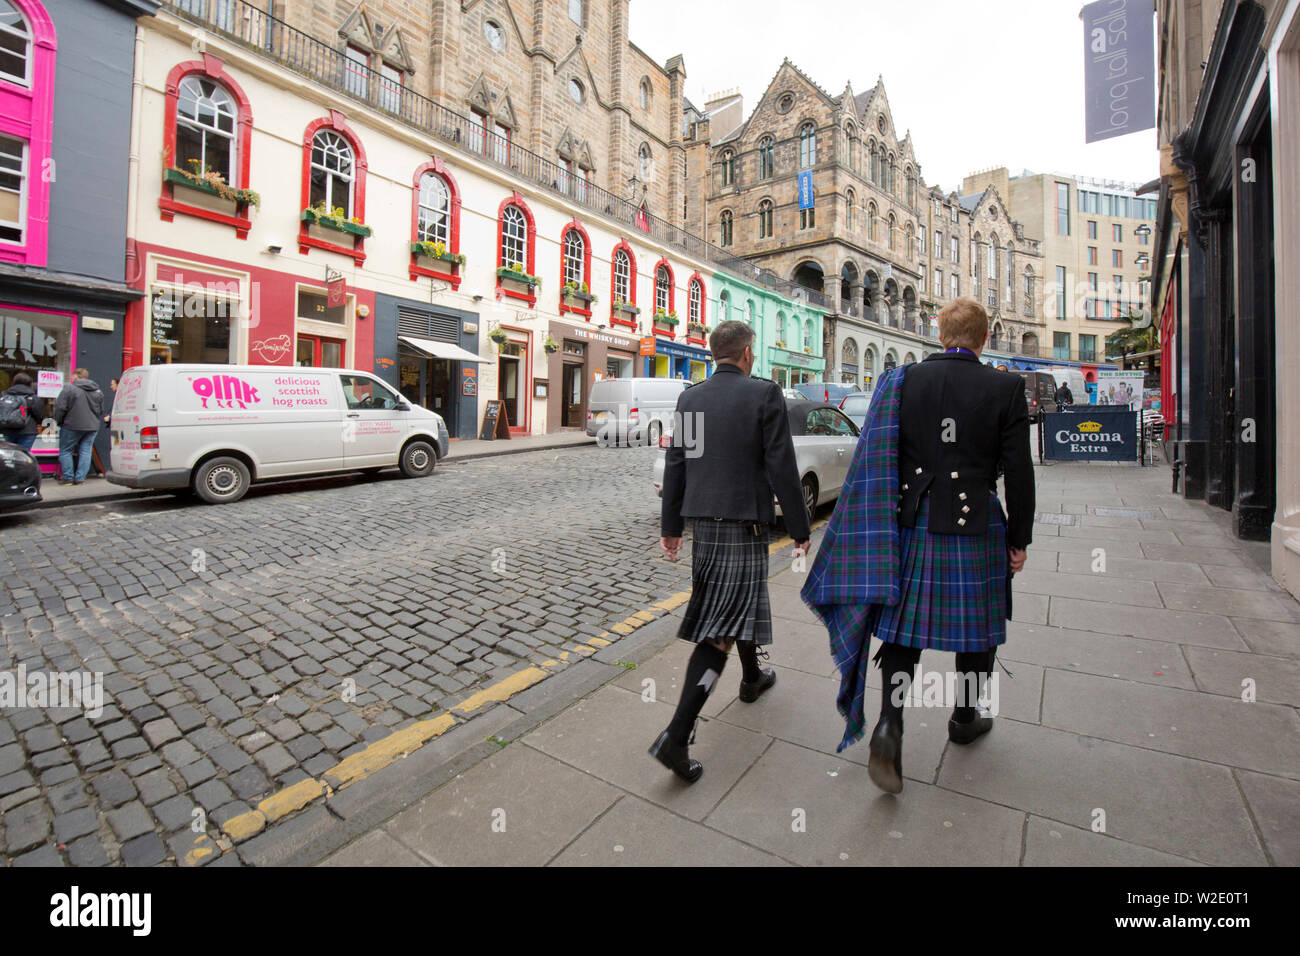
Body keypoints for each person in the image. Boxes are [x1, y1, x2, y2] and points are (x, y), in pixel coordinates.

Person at [802, 298, 1035, 794]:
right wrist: (1020, 539)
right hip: (976, 526)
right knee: (978, 632)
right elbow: (1019, 472)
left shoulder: (901, 382)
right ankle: (965, 717)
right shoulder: (1006, 386)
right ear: (984, 338)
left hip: (912, 523)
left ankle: (890, 723)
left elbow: (878, 454)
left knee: (905, 634)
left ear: (940, 333)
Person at [653, 320, 811, 782]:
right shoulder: (764, 394)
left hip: (704, 523)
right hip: (743, 523)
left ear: (714, 352)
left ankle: (752, 678)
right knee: (718, 629)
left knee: (738, 602)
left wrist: (672, 526)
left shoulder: (692, 398)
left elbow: (677, 463)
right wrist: (799, 528)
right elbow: (782, 464)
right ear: (746, 354)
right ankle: (676, 737)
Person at [53, 368, 104, 485]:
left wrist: (59, 422)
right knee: (86, 451)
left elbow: (60, 408)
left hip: (71, 425)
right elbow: (100, 410)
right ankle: (80, 479)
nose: (71, 379)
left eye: (72, 376)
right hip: (92, 426)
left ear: (76, 376)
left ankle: (68, 478)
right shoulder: (98, 391)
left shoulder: (69, 389)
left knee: (65, 451)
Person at [0, 373, 49, 452]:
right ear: (29, 383)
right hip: (27, 431)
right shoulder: (32, 397)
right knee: (23, 455)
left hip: (8, 429)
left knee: (9, 454)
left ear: (14, 382)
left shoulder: (4, 395)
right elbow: (40, 415)